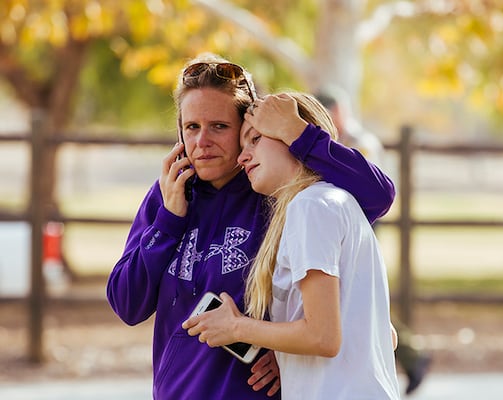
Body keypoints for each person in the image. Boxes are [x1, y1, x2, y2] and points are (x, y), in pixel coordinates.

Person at [106, 53, 396, 400]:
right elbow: (127, 304)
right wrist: (169, 220)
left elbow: (379, 195)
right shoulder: (169, 193)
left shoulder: (273, 192)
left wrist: (299, 136)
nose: (202, 142)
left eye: (219, 126)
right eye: (191, 127)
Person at [182, 92, 402, 399]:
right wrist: (285, 349)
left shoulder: (310, 206)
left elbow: (323, 337)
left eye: (255, 139)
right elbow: (384, 337)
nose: (242, 156)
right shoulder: (334, 202)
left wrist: (236, 328)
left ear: (291, 137)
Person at [316, 86, 432, 395]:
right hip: (336, 226)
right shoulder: (335, 142)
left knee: (356, 295)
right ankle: (412, 356)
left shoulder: (359, 143)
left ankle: (408, 355)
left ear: (339, 112)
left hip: (360, 226)